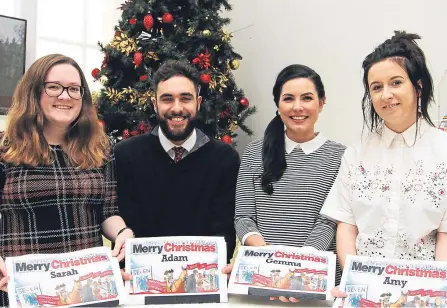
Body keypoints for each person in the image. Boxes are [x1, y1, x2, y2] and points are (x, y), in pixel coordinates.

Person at [0, 54, 134, 306]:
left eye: (74, 89)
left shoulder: (99, 149)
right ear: (33, 91)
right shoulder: (5, 147)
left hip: (85, 290)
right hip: (24, 290)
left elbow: (108, 212)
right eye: (54, 87)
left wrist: (123, 232)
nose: (65, 96)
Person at [321, 31, 447, 298]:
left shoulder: (444, 151)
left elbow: (445, 236)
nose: (386, 94)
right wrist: (355, 281)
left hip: (422, 294)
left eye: (396, 82)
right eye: (376, 87)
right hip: (364, 290)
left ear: (419, 86)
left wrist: (432, 292)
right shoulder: (356, 153)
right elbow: (346, 226)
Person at [230, 64, 346, 303]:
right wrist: (270, 261)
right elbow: (243, 217)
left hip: (318, 284)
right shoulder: (254, 152)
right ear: (278, 104)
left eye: (307, 98)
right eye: (288, 98)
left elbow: (329, 221)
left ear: (321, 103)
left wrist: (298, 270)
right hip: (263, 281)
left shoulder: (341, 156)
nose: (298, 107)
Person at [114, 60, 239, 262]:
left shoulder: (225, 158)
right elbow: (126, 230)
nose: (177, 108)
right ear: (155, 105)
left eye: (185, 98)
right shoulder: (125, 155)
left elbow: (224, 232)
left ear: (198, 103)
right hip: (141, 282)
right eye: (167, 99)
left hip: (202, 280)